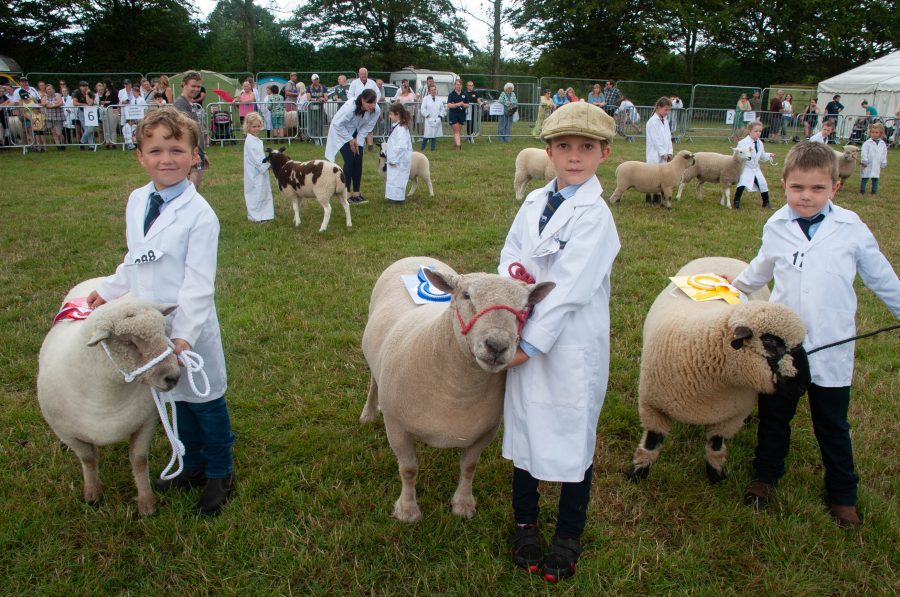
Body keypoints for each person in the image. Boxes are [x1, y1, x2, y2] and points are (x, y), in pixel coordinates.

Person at [732, 140, 900, 529]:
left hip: (832, 345)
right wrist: (733, 287)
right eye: (797, 188)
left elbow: (881, 277)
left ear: (835, 188)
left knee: (832, 424)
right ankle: (766, 476)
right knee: (775, 415)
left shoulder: (851, 228)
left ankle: (843, 494)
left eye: (817, 188)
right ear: (785, 183)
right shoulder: (776, 225)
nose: (806, 197)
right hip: (784, 346)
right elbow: (761, 267)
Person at [86, 108, 234, 516]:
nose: (166, 159)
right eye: (155, 150)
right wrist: (109, 288)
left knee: (204, 396)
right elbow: (136, 258)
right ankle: (192, 463)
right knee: (173, 395)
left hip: (188, 325)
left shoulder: (200, 215)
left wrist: (185, 333)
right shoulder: (138, 200)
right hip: (147, 325)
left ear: (194, 156)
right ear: (140, 156)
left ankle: (221, 470)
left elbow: (199, 284)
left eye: (176, 150)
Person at [498, 101, 620, 582]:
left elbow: (570, 288)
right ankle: (525, 523)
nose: (574, 157)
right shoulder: (532, 203)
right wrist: (509, 317)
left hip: (569, 343)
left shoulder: (596, 217)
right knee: (525, 426)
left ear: (603, 154)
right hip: (523, 328)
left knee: (572, 438)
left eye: (586, 148)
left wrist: (530, 343)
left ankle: (568, 532)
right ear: (547, 150)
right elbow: (511, 257)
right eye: (564, 146)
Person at [325, 88, 381, 205]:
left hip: (357, 133)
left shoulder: (376, 110)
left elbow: (368, 127)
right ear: (362, 100)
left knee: (358, 160)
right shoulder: (350, 108)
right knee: (350, 160)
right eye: (369, 103)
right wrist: (350, 139)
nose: (372, 105)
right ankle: (346, 194)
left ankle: (356, 193)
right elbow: (337, 125)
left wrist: (358, 141)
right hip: (340, 133)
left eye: (374, 102)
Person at [174, 71, 210, 190]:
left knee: (194, 191)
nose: (196, 89)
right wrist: (192, 154)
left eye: (199, 86)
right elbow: (184, 131)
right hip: (189, 154)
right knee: (189, 192)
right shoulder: (180, 104)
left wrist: (203, 152)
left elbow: (197, 127)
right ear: (184, 84)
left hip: (197, 152)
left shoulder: (192, 104)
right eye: (193, 86)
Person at [733, 120, 776, 209]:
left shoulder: (760, 143)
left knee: (763, 183)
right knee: (742, 183)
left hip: (755, 168)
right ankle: (736, 201)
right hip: (746, 167)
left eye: (760, 131)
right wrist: (746, 151)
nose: (758, 133)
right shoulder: (743, 142)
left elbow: (762, 155)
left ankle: (766, 203)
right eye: (756, 131)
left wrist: (769, 155)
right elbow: (736, 154)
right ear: (750, 131)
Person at [242, 112, 275, 222]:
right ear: (248, 127)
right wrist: (268, 165)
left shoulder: (257, 140)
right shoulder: (250, 141)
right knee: (255, 193)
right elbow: (256, 159)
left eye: (258, 126)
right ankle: (255, 216)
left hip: (260, 171)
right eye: (253, 126)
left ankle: (265, 214)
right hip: (254, 172)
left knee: (263, 191)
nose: (256, 129)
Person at [383, 103, 413, 204]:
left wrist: (394, 159)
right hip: (395, 158)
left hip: (399, 159)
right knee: (393, 178)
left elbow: (401, 146)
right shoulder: (397, 126)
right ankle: (393, 197)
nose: (389, 116)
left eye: (391, 114)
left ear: (397, 114)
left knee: (398, 179)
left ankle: (398, 199)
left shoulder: (401, 129)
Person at [645, 96, 672, 204]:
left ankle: (657, 196)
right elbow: (656, 139)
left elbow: (668, 136)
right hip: (654, 153)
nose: (667, 112)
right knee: (651, 175)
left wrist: (669, 151)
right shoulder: (652, 122)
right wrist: (662, 152)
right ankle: (648, 196)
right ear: (659, 108)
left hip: (665, 153)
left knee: (661, 176)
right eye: (666, 109)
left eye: (668, 110)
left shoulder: (665, 121)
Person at [348, 68, 380, 149]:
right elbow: (350, 94)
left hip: (369, 109)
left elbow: (378, 94)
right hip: (358, 109)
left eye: (365, 73)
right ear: (359, 74)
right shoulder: (354, 83)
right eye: (362, 73)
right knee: (356, 126)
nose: (364, 75)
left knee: (368, 126)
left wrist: (373, 103)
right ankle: (354, 143)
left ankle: (368, 145)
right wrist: (356, 104)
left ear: (367, 74)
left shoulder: (372, 83)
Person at [859, 122, 888, 195]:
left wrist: (884, 161)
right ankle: (862, 191)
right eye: (872, 132)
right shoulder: (867, 143)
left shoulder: (882, 144)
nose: (874, 134)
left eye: (876, 132)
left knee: (875, 178)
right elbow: (864, 152)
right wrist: (864, 159)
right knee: (865, 177)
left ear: (880, 133)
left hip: (876, 164)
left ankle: (874, 191)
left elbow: (884, 153)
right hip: (868, 163)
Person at [72, 80, 97, 150]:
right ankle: (91, 146)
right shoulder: (76, 93)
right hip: (82, 112)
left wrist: (86, 94)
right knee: (87, 129)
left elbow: (90, 103)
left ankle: (82, 141)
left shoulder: (91, 93)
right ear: (80, 87)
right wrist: (84, 104)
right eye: (83, 86)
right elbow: (75, 103)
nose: (85, 87)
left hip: (90, 113)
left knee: (90, 129)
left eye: (86, 86)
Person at [419, 84, 444, 151]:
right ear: (429, 91)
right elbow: (422, 109)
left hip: (437, 119)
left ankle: (433, 149)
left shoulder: (439, 99)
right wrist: (427, 115)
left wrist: (440, 117)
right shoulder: (426, 98)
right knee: (427, 135)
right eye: (432, 90)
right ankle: (422, 149)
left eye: (434, 89)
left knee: (434, 135)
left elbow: (442, 109)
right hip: (429, 119)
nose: (434, 91)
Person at [446, 79, 468, 150]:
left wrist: (463, 104)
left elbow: (467, 105)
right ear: (455, 85)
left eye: (460, 85)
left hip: (462, 114)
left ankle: (455, 144)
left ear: (462, 86)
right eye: (457, 84)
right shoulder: (451, 94)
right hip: (453, 114)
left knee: (458, 130)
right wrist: (457, 104)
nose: (459, 86)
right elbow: (449, 105)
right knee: (456, 130)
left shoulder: (464, 94)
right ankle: (459, 146)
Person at [307, 74, 327, 143]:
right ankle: (313, 137)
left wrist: (323, 99)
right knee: (313, 123)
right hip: (312, 108)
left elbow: (326, 97)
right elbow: (309, 98)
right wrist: (317, 99)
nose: (317, 81)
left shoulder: (323, 87)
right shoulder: (309, 87)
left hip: (320, 108)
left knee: (320, 122)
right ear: (312, 80)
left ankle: (320, 137)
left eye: (317, 79)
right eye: (315, 79)